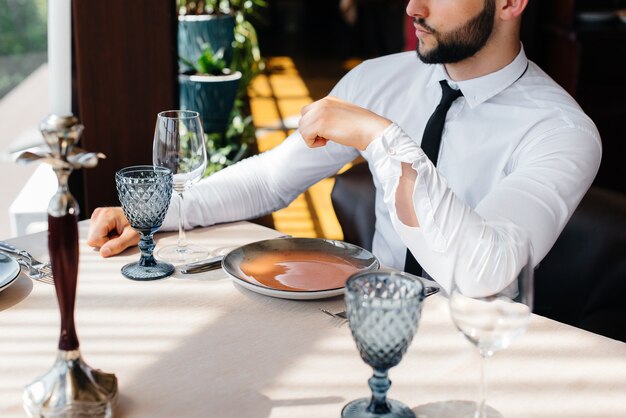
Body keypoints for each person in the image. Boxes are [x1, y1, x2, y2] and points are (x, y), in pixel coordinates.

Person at [88, 0, 601, 294]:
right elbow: (273, 177)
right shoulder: (380, 79)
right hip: (361, 325)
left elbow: (481, 274)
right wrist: (160, 213)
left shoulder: (561, 132)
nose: (413, 8)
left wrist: (380, 137)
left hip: (473, 357)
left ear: (510, 3)